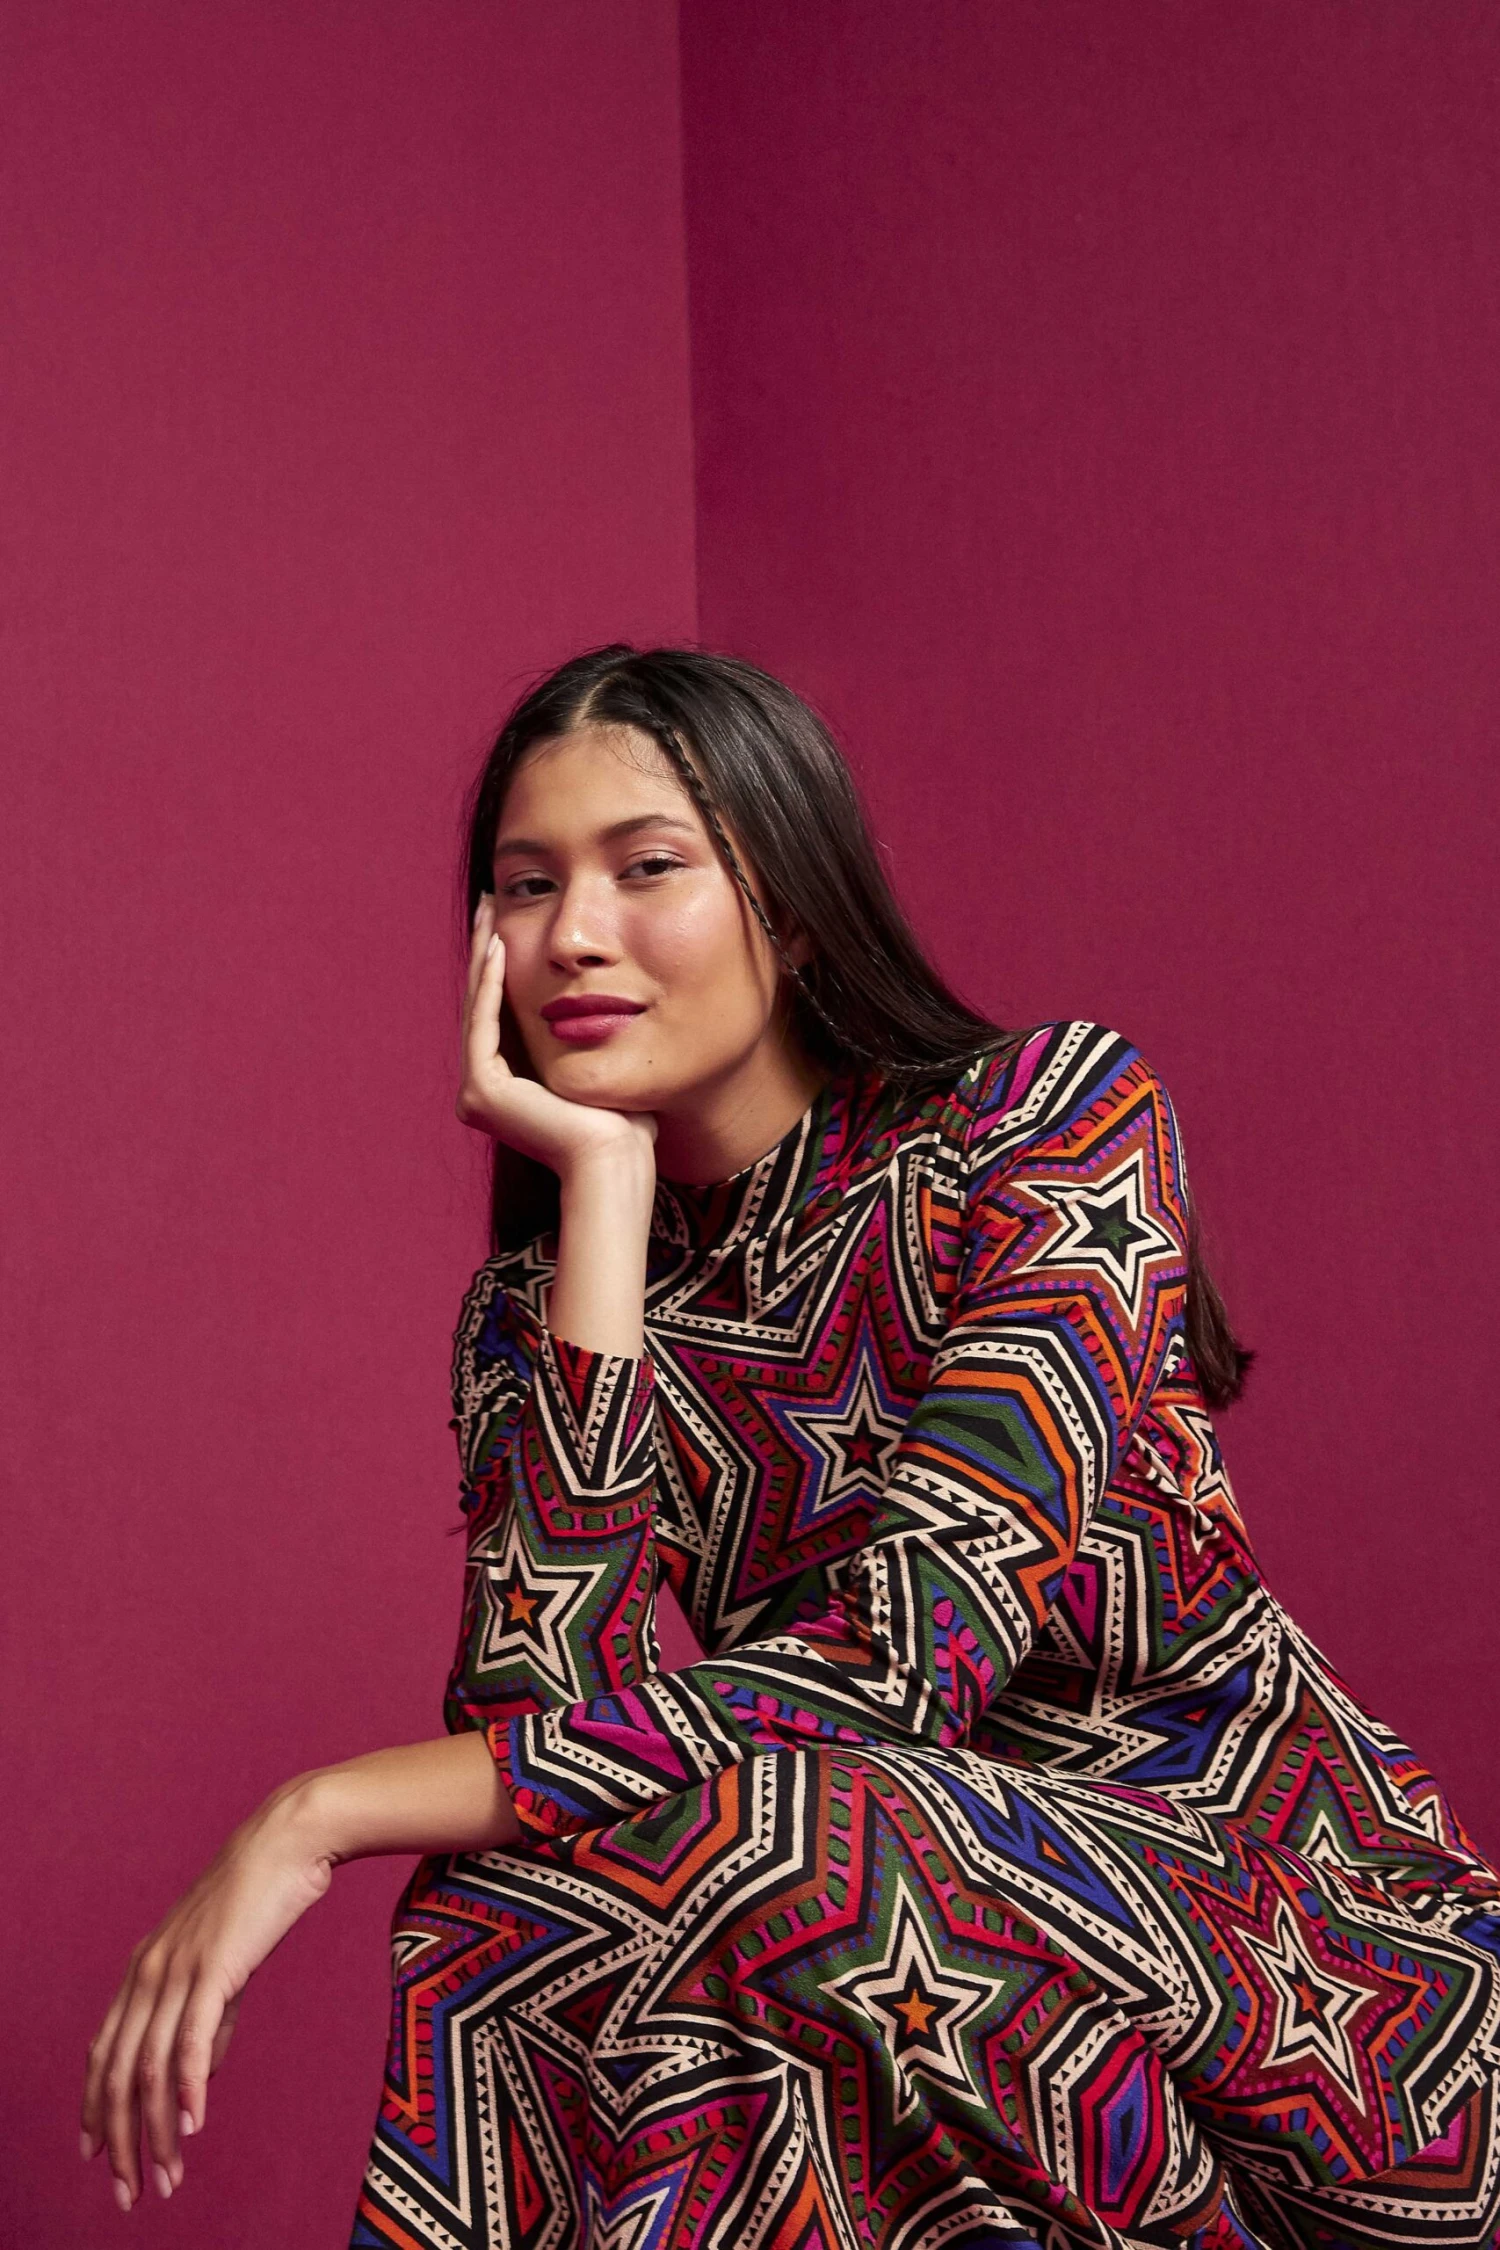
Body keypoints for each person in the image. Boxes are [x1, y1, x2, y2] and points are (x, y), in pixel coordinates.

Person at [83, 646, 1500, 2250]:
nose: (574, 934)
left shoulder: (1043, 1121)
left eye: (646, 866)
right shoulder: (530, 1312)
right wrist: (601, 1206)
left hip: (1317, 1979)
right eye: (528, 885)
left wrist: (317, 1809)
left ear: (799, 903)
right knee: (516, 1904)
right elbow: (549, 1742)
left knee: (802, 1848)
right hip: (876, 1950)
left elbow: (905, 1663)